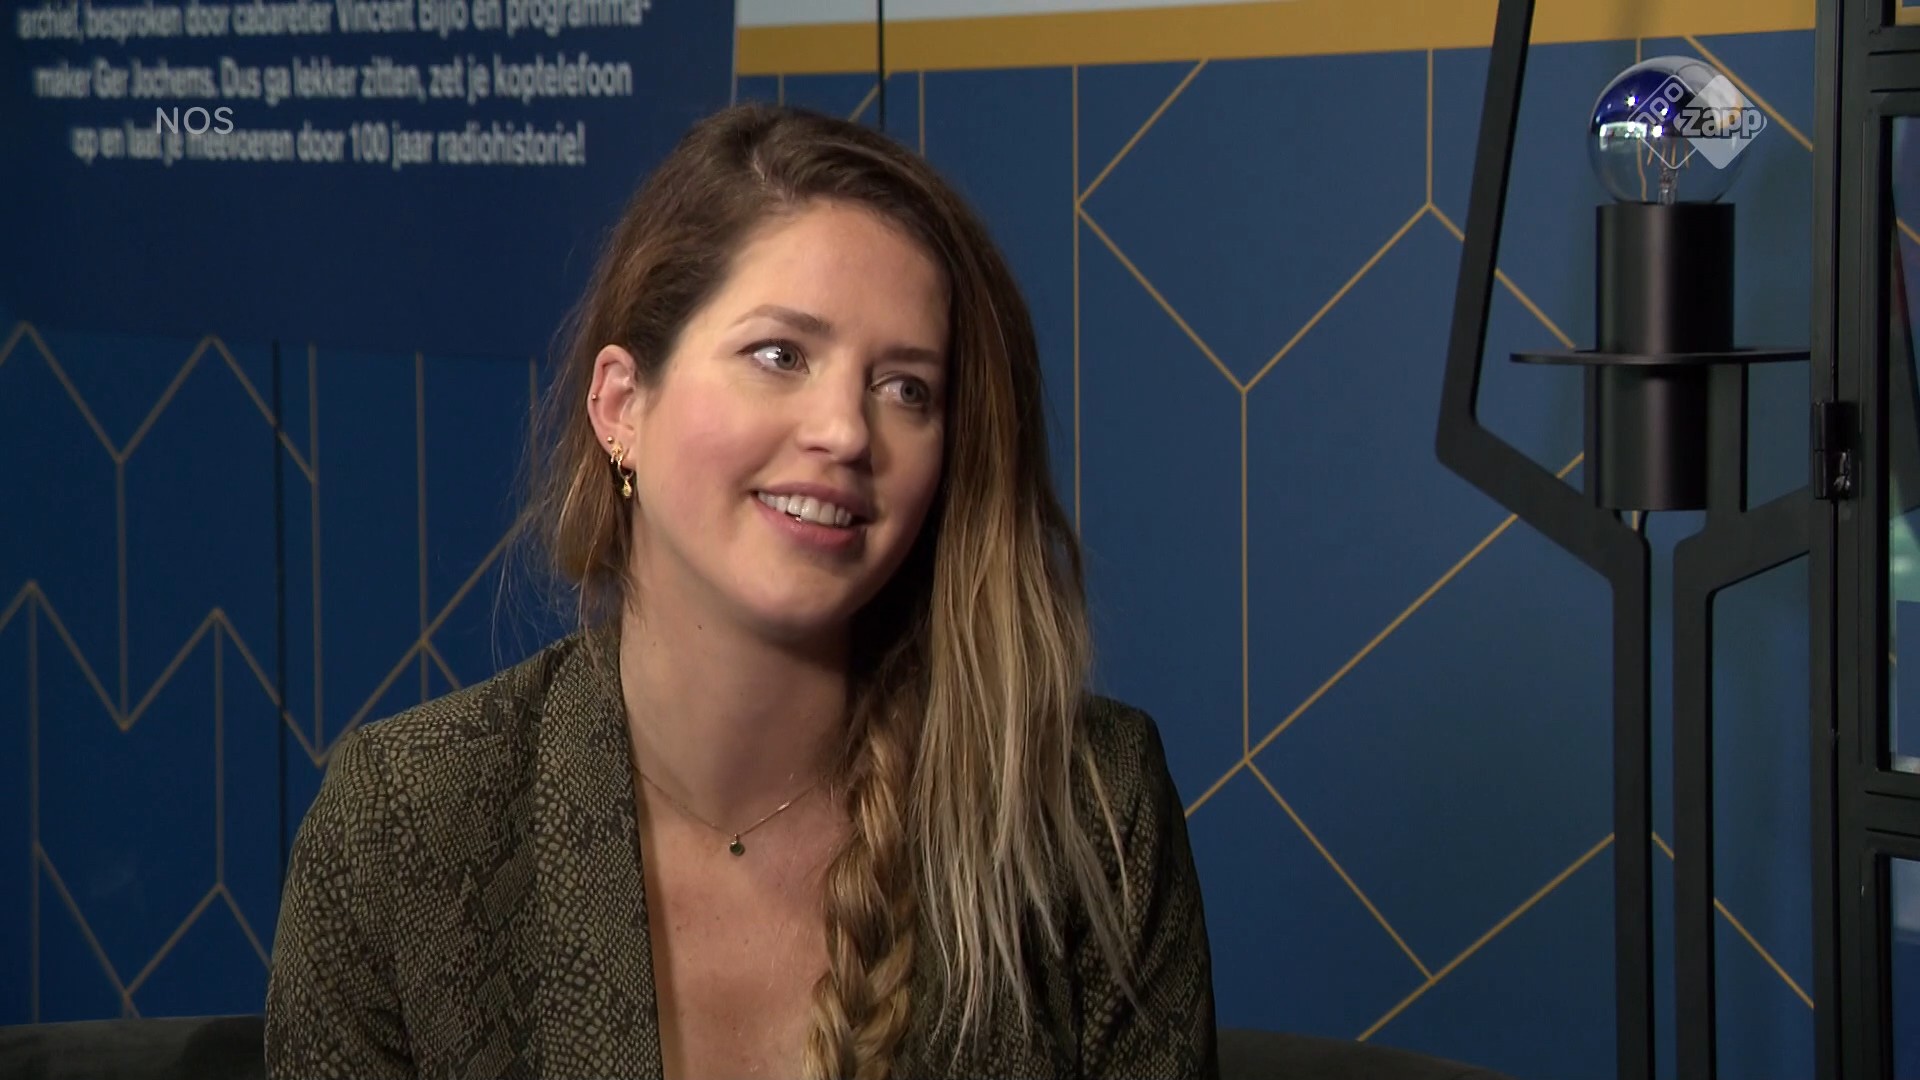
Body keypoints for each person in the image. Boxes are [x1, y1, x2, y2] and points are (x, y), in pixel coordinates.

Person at [264, 102, 1218, 1080]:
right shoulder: (404, 827)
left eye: (906, 388)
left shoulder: (1088, 808)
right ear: (621, 406)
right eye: (780, 356)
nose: (845, 431)